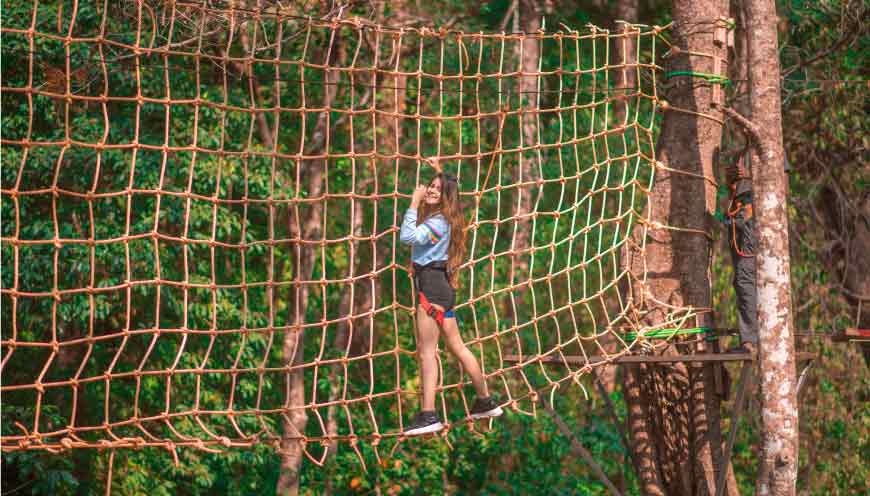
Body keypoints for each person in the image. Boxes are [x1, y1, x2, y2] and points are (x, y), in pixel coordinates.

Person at [399, 170, 503, 436]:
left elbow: (407, 238)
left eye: (436, 188)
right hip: (440, 286)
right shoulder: (444, 219)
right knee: (457, 347)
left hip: (432, 289)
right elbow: (447, 184)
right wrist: (437, 166)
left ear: (446, 196)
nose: (430, 191)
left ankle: (429, 414)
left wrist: (413, 202)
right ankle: (485, 401)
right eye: (430, 186)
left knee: (426, 352)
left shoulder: (436, 223)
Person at [724, 158, 758, 353]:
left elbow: (782, 188)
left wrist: (750, 175)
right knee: (740, 280)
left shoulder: (768, 145)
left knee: (746, 278)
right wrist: (731, 184)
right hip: (738, 217)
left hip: (753, 217)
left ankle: (751, 341)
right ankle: (749, 338)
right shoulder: (739, 151)